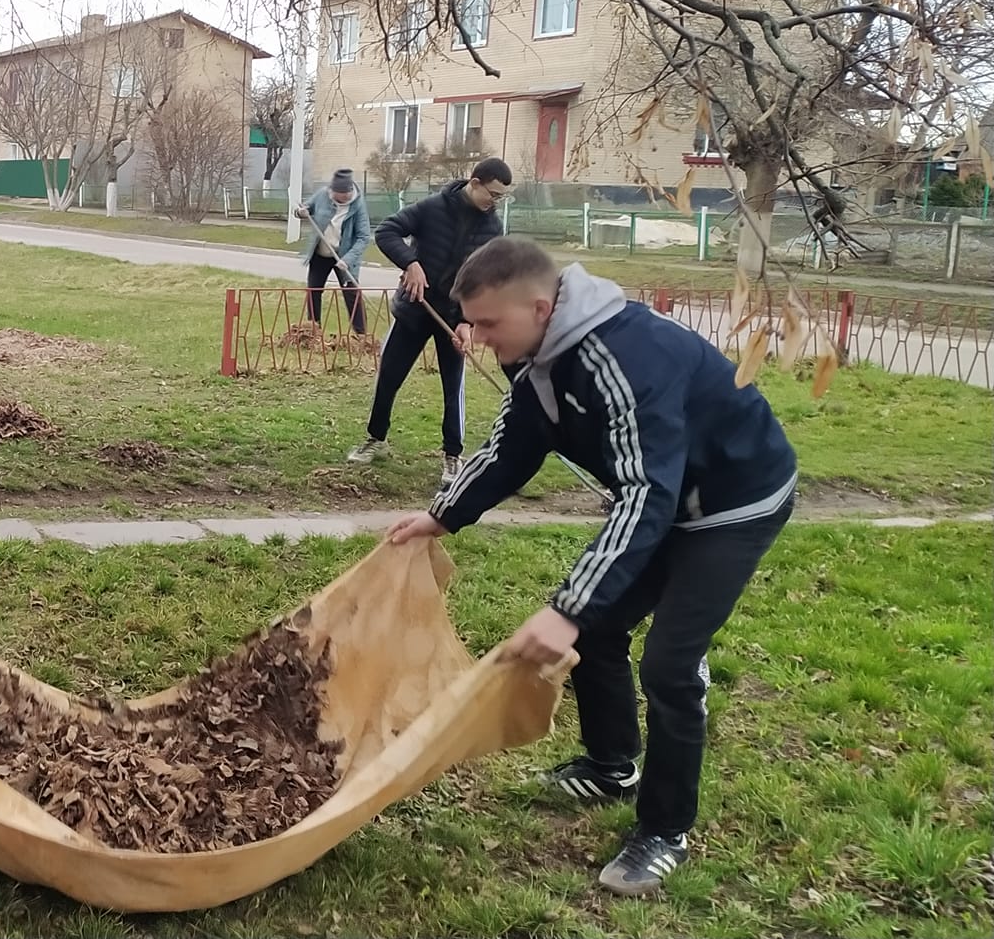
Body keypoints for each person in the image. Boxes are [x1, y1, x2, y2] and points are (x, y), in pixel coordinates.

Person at [387, 237, 797, 896]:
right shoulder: (538, 356)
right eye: (473, 322)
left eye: (489, 323)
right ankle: (612, 766)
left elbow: (646, 497)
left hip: (732, 503)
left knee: (667, 661)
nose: (477, 337)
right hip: (664, 496)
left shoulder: (627, 357)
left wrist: (566, 610)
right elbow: (510, 445)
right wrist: (444, 514)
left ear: (541, 305)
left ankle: (665, 830)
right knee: (601, 627)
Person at [348, 156, 512, 485]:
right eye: (492, 194)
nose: (495, 202)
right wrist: (410, 262)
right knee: (389, 377)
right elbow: (387, 232)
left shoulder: (493, 228)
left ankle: (453, 455)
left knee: (453, 388)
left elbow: (487, 282)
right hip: (415, 309)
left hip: (453, 319)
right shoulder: (433, 208)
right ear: (475, 182)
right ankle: (375, 439)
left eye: (501, 197)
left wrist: (468, 322)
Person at [292, 167, 371, 332]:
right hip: (321, 254)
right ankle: (312, 331)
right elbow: (304, 208)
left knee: (351, 294)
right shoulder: (323, 195)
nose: (338, 199)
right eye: (335, 196)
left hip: (344, 256)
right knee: (314, 291)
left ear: (349, 193)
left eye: (342, 197)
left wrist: (347, 260)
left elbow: (363, 237)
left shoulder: (357, 205)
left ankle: (361, 335)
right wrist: (301, 212)